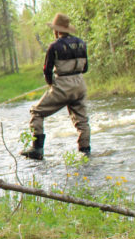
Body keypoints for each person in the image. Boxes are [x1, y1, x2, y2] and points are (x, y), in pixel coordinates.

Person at [21, 13, 90, 160]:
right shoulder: (82, 43)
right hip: (80, 83)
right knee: (82, 121)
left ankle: (37, 149)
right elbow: (85, 69)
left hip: (63, 85)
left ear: (57, 30)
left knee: (36, 112)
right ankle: (85, 152)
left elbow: (47, 70)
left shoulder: (55, 46)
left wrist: (52, 84)